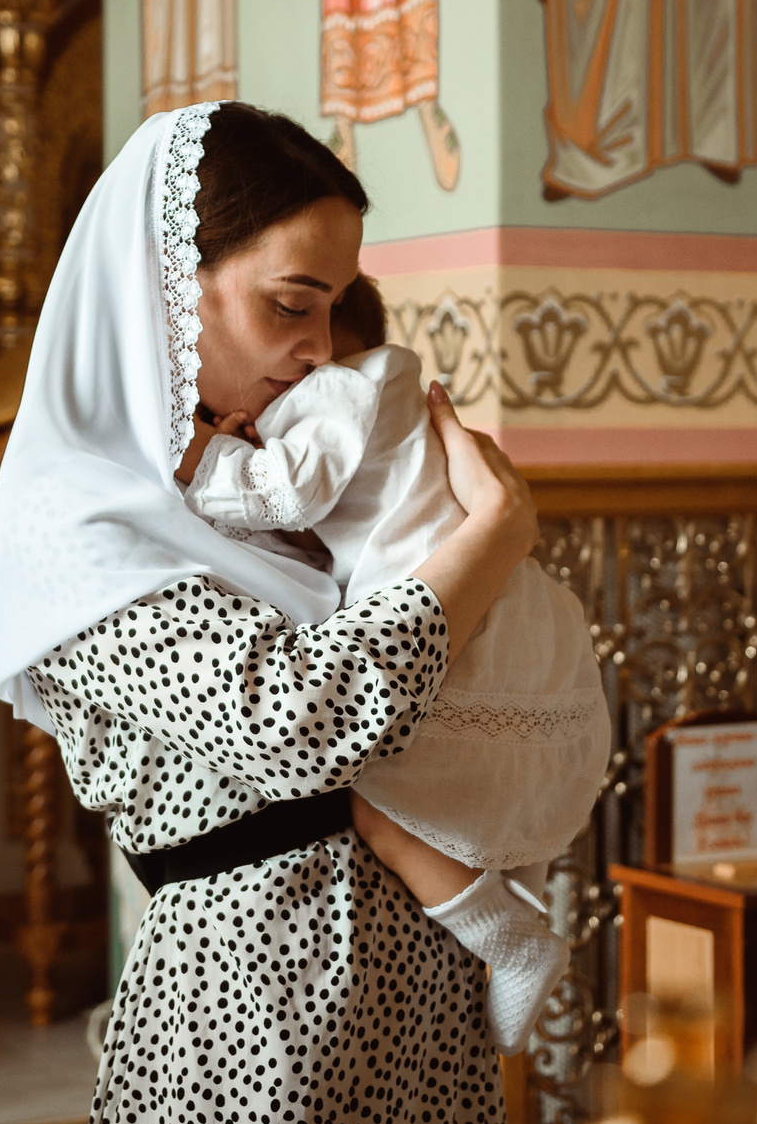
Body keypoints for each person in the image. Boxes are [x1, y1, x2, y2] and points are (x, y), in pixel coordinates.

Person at [0, 101, 537, 1124]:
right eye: (292, 302)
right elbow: (301, 715)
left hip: (417, 1001)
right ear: (162, 282)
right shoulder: (66, 518)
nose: (320, 348)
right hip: (259, 1011)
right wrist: (489, 544)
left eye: (334, 308)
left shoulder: (248, 476)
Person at [174, 273, 610, 1053]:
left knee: (375, 800)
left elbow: (285, 495)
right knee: (500, 783)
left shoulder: (339, 392)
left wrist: (204, 461)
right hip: (511, 608)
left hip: (451, 617)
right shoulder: (385, 399)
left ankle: (507, 936)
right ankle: (522, 909)